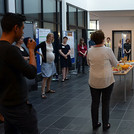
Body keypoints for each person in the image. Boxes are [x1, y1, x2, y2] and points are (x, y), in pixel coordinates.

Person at [0, 13, 39, 134]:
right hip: (17, 107)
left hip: (5, 105)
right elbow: (32, 73)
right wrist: (32, 51)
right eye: (22, 29)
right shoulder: (11, 50)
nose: (23, 33)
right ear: (16, 28)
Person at [87, 30, 118, 131]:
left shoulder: (89, 50)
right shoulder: (107, 50)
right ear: (103, 39)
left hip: (93, 80)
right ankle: (105, 124)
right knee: (105, 103)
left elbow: (88, 63)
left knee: (94, 103)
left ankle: (95, 124)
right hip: (106, 80)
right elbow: (115, 64)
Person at [35, 33, 56, 99]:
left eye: (52, 37)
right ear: (47, 37)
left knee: (50, 76)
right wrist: (41, 54)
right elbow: (35, 49)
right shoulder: (43, 43)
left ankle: (48, 89)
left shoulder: (51, 43)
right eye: (50, 36)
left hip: (51, 62)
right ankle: (43, 92)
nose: (51, 38)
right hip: (46, 62)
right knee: (45, 77)